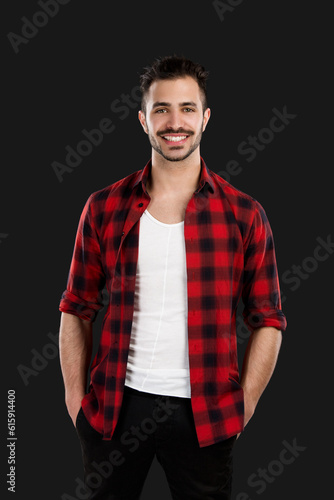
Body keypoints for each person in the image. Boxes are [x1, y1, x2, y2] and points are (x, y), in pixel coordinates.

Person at [59, 55, 287, 500]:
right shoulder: (103, 207)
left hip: (206, 417)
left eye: (186, 108)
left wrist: (246, 404)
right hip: (113, 408)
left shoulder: (244, 215)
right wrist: (74, 401)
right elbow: (75, 306)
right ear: (143, 120)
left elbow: (269, 319)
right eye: (161, 109)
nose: (174, 121)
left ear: (205, 118)